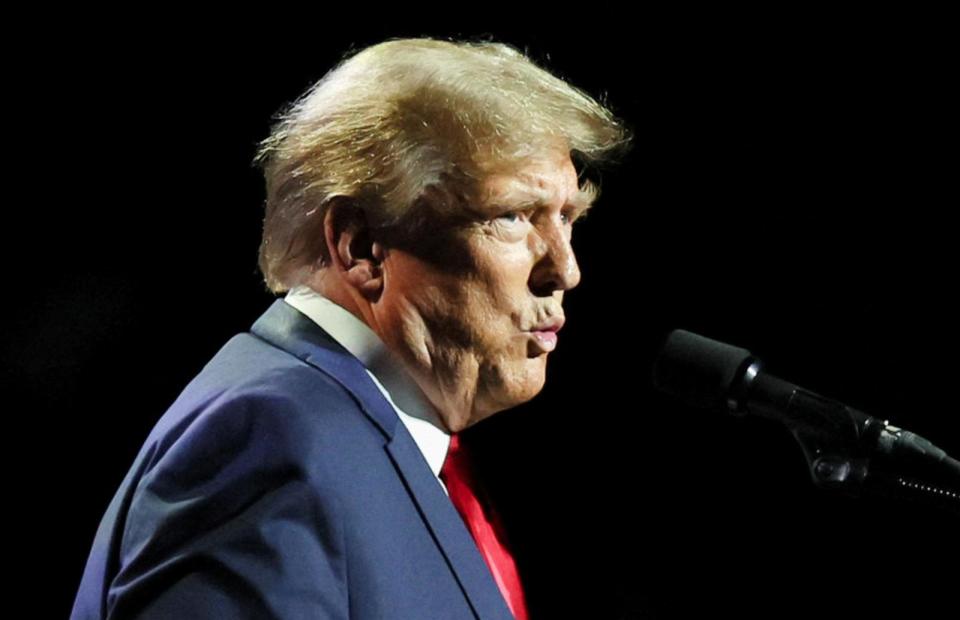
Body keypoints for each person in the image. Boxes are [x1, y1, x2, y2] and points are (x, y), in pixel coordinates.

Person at [71, 37, 632, 619]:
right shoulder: (270, 442)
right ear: (361, 246)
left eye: (567, 218)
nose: (565, 269)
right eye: (512, 216)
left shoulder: (371, 434)